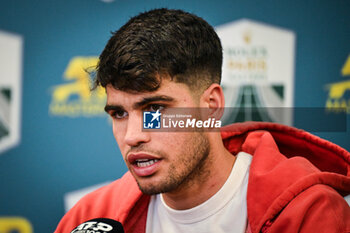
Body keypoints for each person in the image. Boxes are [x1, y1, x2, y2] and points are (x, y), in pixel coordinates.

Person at [55, 8, 350, 233]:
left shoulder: (309, 214)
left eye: (155, 109)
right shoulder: (91, 217)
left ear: (211, 107)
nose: (133, 136)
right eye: (119, 113)